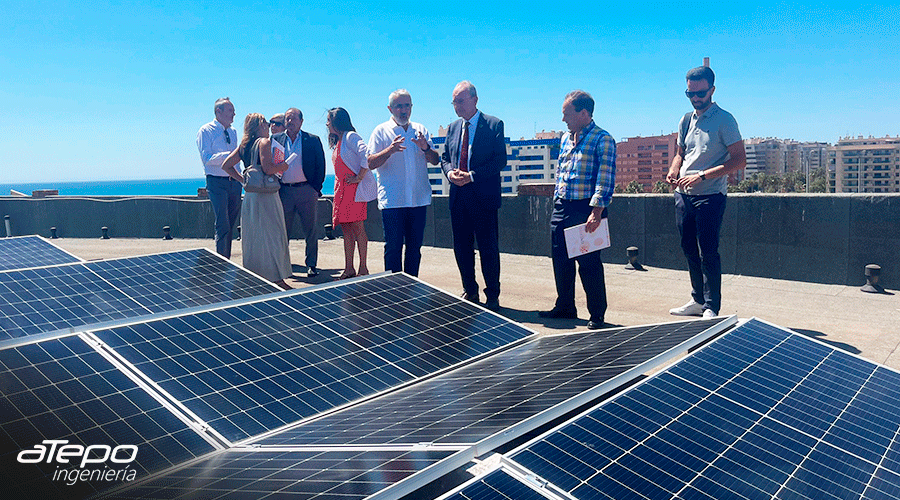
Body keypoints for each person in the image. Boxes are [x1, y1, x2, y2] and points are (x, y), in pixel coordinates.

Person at [666, 66, 746, 318]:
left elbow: (739, 160)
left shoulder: (725, 119)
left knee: (708, 251)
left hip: (711, 196)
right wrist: (674, 170)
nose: (695, 98)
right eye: (690, 93)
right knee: (688, 248)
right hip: (684, 196)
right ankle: (697, 299)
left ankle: (712, 306)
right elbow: (681, 153)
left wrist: (702, 175)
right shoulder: (685, 120)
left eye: (700, 93)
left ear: (712, 90)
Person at [539, 91, 616, 330]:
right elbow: (561, 173)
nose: (563, 119)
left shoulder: (603, 139)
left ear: (583, 113)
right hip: (563, 205)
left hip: (586, 208)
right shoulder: (564, 138)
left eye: (566, 114)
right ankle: (565, 306)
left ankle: (597, 314)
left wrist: (597, 211)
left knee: (589, 263)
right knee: (560, 259)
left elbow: (605, 178)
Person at [440, 81, 506, 311]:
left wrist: (472, 175)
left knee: (488, 249)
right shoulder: (453, 128)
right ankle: (470, 290)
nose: (456, 106)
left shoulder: (494, 124)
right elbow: (445, 158)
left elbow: (500, 161)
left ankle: (493, 295)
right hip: (459, 197)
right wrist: (450, 173)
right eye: (454, 102)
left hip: (483, 198)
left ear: (474, 100)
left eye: (460, 101)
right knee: (462, 247)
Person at [367, 89, 440, 276]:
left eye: (407, 105)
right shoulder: (381, 131)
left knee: (414, 249)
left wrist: (425, 148)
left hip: (418, 199)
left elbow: (435, 160)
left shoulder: (421, 130)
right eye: (399, 106)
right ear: (390, 108)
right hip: (393, 201)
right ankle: (393, 292)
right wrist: (389, 151)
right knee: (393, 248)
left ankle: (412, 287)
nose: (403, 110)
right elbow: (370, 162)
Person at [221, 113, 292, 290]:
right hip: (266, 196)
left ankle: (255, 277)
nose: (268, 126)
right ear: (259, 125)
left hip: (251, 197)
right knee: (273, 236)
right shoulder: (264, 143)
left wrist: (242, 180)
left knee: (254, 239)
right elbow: (268, 169)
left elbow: (226, 165)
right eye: (265, 123)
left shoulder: (244, 145)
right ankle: (277, 278)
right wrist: (283, 166)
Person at [271, 108, 326, 278]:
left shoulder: (312, 140)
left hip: (306, 191)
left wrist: (315, 189)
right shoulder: (276, 140)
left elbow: (320, 166)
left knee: (310, 230)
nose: (290, 122)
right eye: (287, 119)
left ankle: (311, 264)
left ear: (301, 121)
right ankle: (283, 265)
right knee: (283, 230)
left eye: (294, 119)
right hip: (284, 191)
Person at [328, 107, 376, 280]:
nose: (326, 123)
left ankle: (363, 267)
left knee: (358, 227)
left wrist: (359, 177)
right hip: (342, 190)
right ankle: (349, 268)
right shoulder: (339, 141)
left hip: (353, 191)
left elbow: (366, 154)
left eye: (329, 120)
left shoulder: (350, 136)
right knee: (346, 229)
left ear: (336, 121)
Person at [197, 97, 241, 258]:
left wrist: (240, 177)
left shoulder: (233, 132)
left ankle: (225, 257)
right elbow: (207, 158)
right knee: (223, 223)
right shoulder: (206, 131)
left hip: (234, 181)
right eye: (230, 111)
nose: (234, 114)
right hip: (217, 182)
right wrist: (229, 156)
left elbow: (236, 161)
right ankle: (222, 260)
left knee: (231, 222)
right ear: (218, 112)